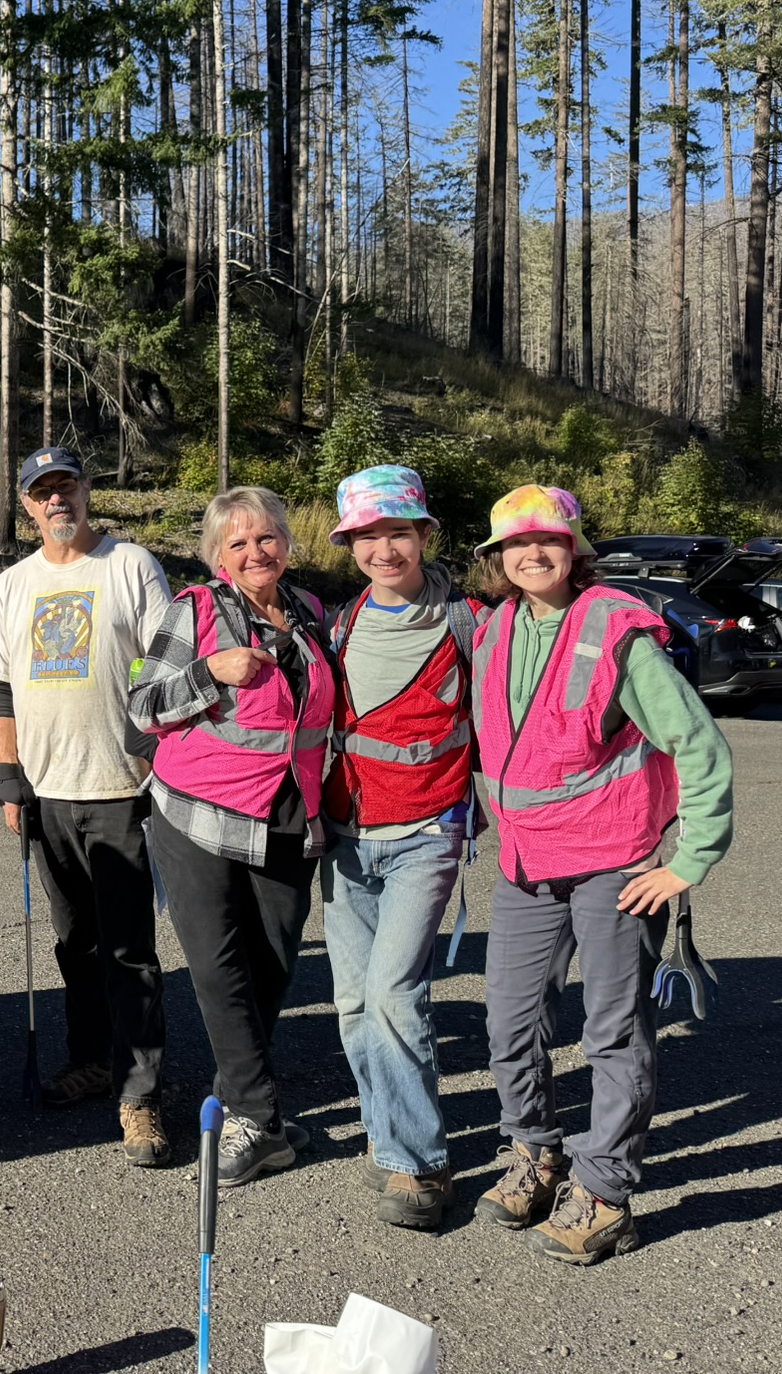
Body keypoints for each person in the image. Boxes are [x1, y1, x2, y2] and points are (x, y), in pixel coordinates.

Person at [467, 485, 733, 1265]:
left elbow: (698, 744)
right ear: (498, 559)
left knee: (611, 1030)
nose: (533, 554)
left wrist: (688, 861)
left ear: (575, 549)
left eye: (549, 540)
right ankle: (536, 1154)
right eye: (516, 545)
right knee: (509, 1022)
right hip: (526, 864)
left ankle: (606, 1190)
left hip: (614, 864)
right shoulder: (494, 631)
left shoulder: (617, 632)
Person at [0, 446, 176, 1167]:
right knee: (76, 945)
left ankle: (140, 1094)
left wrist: (145, 739)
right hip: (46, 792)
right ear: (27, 505)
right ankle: (91, 1060)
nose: (57, 500)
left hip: (120, 787)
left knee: (130, 953)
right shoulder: (14, 585)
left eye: (68, 486)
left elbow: (166, 658)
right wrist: (8, 777)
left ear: (88, 491)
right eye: (43, 491)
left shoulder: (130, 566)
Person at [127, 485, 333, 1188]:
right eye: (237, 543)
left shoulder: (310, 614)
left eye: (266, 537)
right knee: (218, 968)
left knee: (273, 964)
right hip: (197, 815)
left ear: (287, 543)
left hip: (287, 814)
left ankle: (247, 1110)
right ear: (217, 556)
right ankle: (257, 1117)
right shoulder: (195, 611)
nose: (254, 551)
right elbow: (142, 708)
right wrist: (209, 672)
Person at [320, 467, 486, 1231]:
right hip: (346, 834)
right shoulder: (336, 625)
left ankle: (421, 1165)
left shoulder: (470, 624)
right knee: (353, 1003)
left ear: (425, 536)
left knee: (393, 995)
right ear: (350, 544)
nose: (383, 549)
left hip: (428, 831)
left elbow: (515, 723)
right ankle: (390, 1136)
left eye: (398, 533)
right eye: (367, 536)